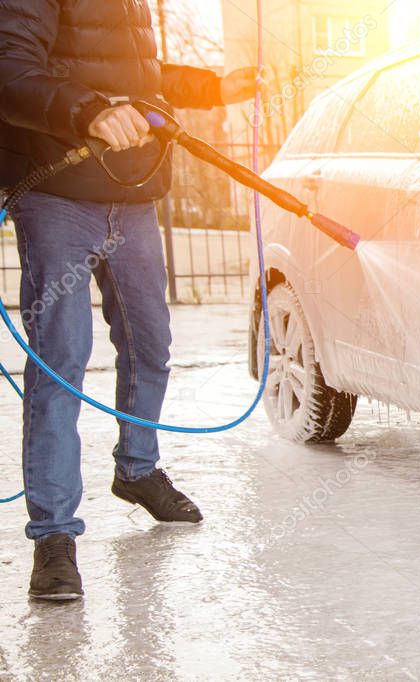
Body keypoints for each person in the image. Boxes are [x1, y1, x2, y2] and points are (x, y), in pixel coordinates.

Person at [0, 0, 258, 601]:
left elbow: (138, 77)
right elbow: (11, 66)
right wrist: (87, 111)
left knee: (151, 343)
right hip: (57, 188)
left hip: (134, 193)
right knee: (61, 362)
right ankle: (54, 536)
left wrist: (216, 88)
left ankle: (137, 470)